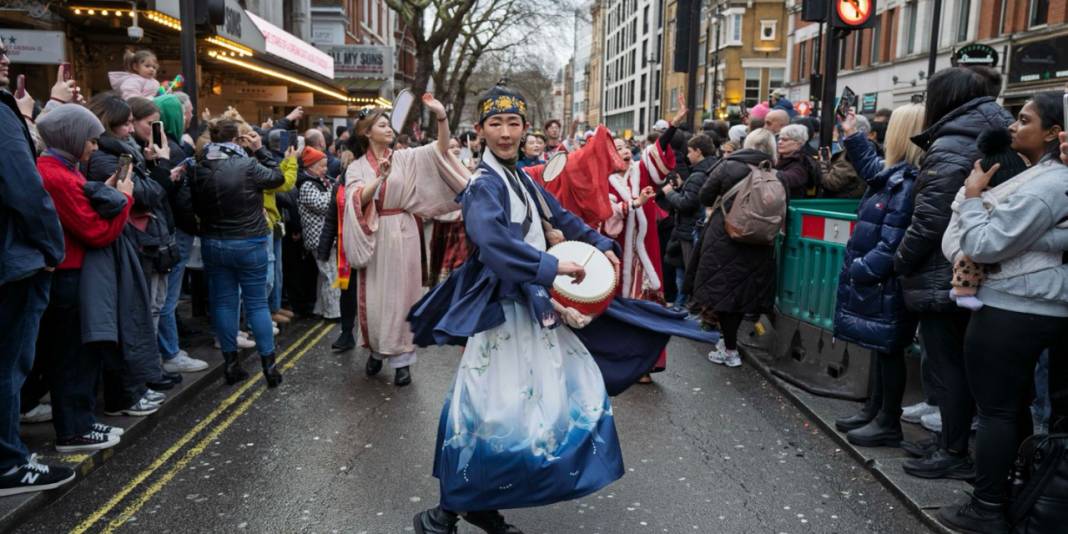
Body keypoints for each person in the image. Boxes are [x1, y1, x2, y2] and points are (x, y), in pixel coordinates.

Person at [411, 81, 624, 534]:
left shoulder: (521, 178)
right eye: (495, 123)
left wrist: (601, 243)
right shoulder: (482, 186)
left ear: (525, 128)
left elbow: (561, 217)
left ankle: (472, 504)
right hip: (503, 309)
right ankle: (447, 511)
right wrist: (551, 265)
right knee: (493, 411)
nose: (505, 132)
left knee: (543, 400)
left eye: (513, 123)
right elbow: (493, 245)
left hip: (529, 305)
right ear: (481, 130)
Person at [937, 92, 1068, 534]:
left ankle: (987, 506)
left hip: (1016, 306)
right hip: (1029, 304)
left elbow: (983, 245)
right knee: (1011, 409)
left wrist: (973, 198)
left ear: (1053, 132)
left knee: (997, 410)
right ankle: (1013, 493)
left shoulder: (1049, 183)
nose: (1014, 126)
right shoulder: (1039, 178)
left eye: (1025, 119)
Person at [892, 67, 1012, 476]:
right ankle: (949, 441)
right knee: (957, 365)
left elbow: (929, 219)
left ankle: (953, 451)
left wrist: (899, 260)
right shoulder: (983, 134)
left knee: (949, 367)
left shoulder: (949, 145)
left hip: (943, 271)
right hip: (968, 268)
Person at [341, 95, 468, 387]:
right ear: (366, 132)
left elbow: (440, 149)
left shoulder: (406, 157)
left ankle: (402, 361)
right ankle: (376, 348)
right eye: (382, 125)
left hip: (406, 231)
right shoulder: (357, 167)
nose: (389, 129)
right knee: (375, 297)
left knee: (404, 297)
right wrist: (380, 179)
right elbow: (356, 200)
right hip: (376, 233)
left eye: (389, 124)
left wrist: (441, 117)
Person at [35, 104, 134, 452]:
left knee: (80, 354)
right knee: (73, 357)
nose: (94, 147)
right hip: (68, 279)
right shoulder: (56, 176)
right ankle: (74, 430)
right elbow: (96, 232)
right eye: (91, 140)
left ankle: (83, 422)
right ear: (73, 138)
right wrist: (123, 200)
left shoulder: (63, 169)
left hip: (74, 275)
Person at [0, 43, 75, 496]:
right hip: (14, 260)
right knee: (9, 366)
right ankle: (8, 463)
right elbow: (26, 189)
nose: (4, 56)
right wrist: (52, 248)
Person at [830, 104, 924, 448]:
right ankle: (875, 409)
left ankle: (887, 420)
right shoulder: (897, 174)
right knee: (881, 346)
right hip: (879, 278)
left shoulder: (909, 181)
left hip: (885, 279)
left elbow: (893, 239)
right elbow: (872, 169)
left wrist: (862, 268)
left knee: (889, 348)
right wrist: (853, 134)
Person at [192, 118, 286, 387]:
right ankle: (270, 367)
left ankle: (231, 365)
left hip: (214, 241)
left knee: (223, 303)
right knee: (257, 303)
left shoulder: (198, 165)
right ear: (237, 139)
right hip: (250, 241)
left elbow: (192, 203)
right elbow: (277, 177)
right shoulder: (248, 164)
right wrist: (260, 149)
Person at [686, 128, 780, 368]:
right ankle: (728, 344)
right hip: (760, 242)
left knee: (724, 294)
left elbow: (705, 197)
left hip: (725, 237)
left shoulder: (728, 166)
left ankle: (729, 349)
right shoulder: (775, 173)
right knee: (741, 294)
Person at [153, 94, 208, 374]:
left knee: (165, 296)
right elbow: (181, 199)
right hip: (175, 232)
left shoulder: (167, 148)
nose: (189, 117)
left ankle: (169, 348)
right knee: (167, 297)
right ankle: (170, 353)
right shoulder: (173, 150)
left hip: (170, 230)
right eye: (185, 112)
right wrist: (196, 225)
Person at [297, 147, 341, 321]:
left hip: (325, 236)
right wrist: (335, 189)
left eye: (325, 166)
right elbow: (323, 205)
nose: (325, 169)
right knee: (330, 275)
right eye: (321, 166)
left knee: (324, 276)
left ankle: (320, 308)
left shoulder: (320, 182)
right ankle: (333, 312)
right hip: (319, 238)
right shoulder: (307, 185)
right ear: (310, 167)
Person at [820, 115, 872, 199]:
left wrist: (823, 163)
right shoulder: (870, 149)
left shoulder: (851, 155)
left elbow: (830, 183)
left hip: (842, 202)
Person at [776, 124, 820, 198]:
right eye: (779, 139)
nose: (780, 142)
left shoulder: (803, 163)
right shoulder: (777, 159)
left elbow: (787, 179)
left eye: (785, 140)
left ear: (798, 143)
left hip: (792, 204)